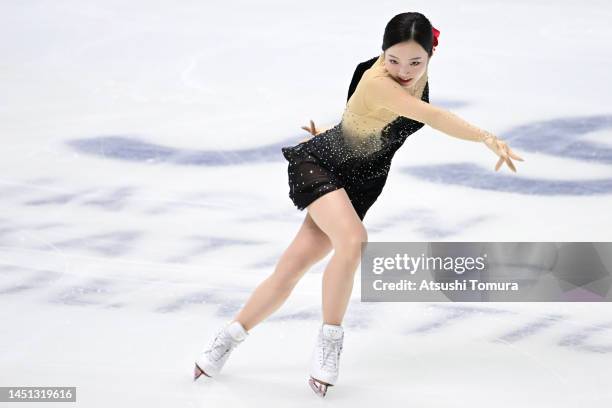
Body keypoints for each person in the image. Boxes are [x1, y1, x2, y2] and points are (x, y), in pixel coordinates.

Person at [193, 12, 524, 397]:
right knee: (354, 241)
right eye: (393, 60)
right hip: (319, 167)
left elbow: (359, 114)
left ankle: (227, 339)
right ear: (382, 54)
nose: (404, 70)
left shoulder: (415, 74)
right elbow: (430, 115)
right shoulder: (380, 81)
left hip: (360, 183)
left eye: (415, 62)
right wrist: (486, 137)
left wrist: (336, 132)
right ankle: (330, 341)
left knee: (290, 269)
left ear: (431, 55)